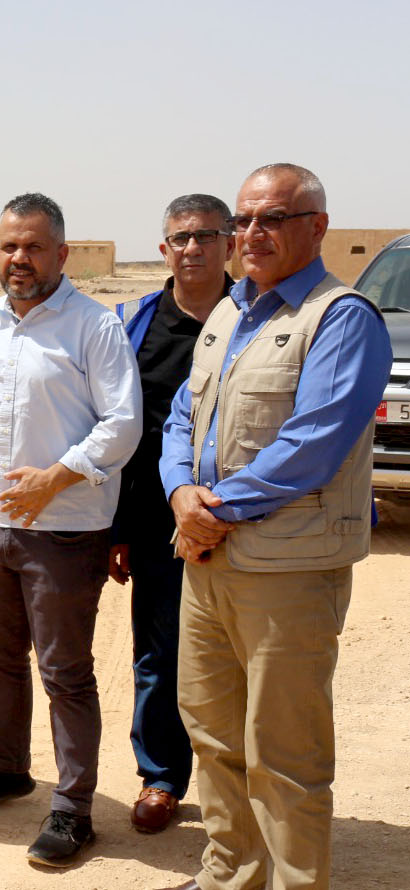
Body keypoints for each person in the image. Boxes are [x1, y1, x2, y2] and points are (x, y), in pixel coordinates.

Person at [155, 164, 391, 890]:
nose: (252, 233)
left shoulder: (341, 317)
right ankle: (230, 874)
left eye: (273, 219)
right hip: (207, 563)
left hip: (288, 570)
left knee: (285, 753)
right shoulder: (230, 312)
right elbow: (182, 417)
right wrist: (180, 493)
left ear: (316, 228)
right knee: (213, 734)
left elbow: (313, 444)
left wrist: (210, 512)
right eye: (244, 220)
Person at [0, 192, 140, 867]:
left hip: (65, 529)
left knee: (64, 672)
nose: (19, 258)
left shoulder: (94, 327)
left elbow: (123, 424)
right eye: (8, 246)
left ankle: (73, 808)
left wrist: (56, 477)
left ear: (61, 253)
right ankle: (5, 768)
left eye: (32, 247)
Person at [107, 195, 235, 834]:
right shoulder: (133, 325)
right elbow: (121, 435)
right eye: (181, 238)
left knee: (239, 656)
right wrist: (118, 530)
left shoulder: (260, 318)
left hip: (243, 518)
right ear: (164, 249)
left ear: (229, 244)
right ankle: (161, 777)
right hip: (159, 522)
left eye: (206, 236)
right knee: (159, 653)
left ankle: (236, 784)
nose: (193, 248)